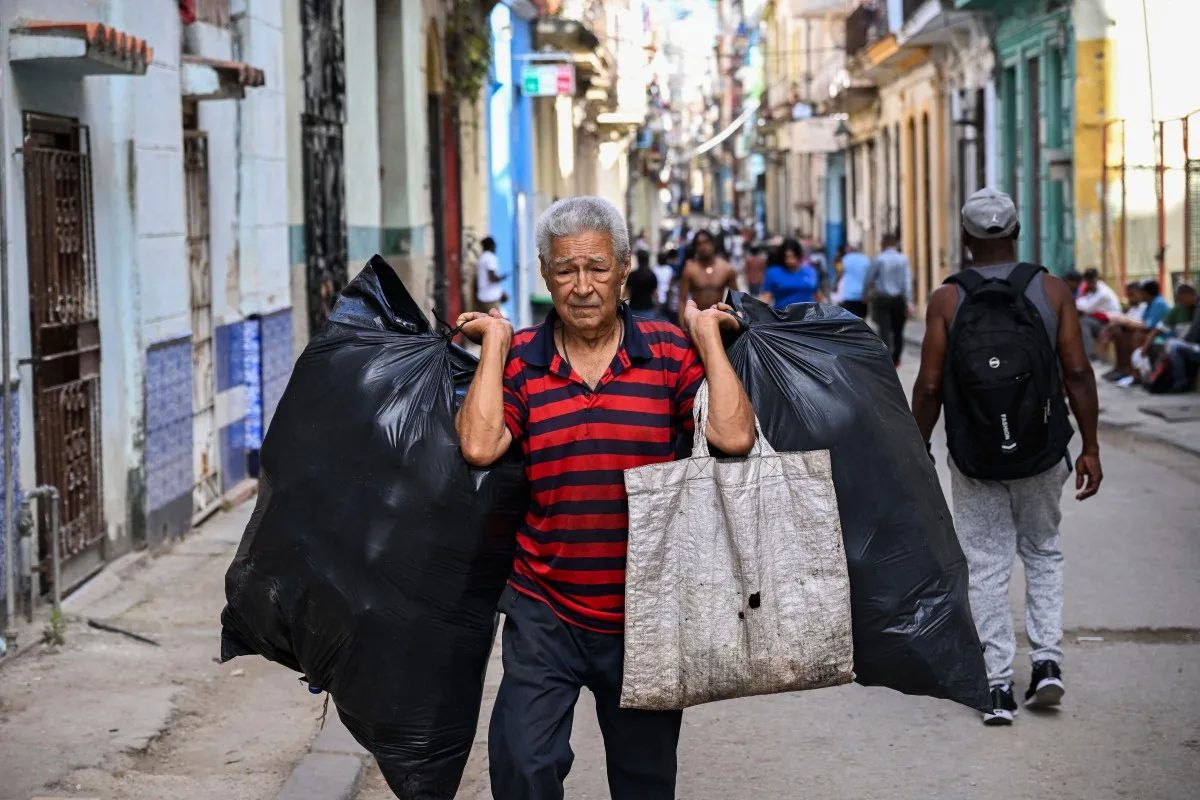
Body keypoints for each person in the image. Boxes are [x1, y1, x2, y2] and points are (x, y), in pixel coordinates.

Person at [454, 196, 755, 799]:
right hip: (546, 607)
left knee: (644, 783)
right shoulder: (521, 363)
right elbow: (481, 446)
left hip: (645, 612)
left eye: (597, 268)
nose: (582, 286)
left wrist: (708, 339)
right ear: (545, 275)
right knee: (521, 765)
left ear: (623, 271)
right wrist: (494, 345)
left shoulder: (668, 353)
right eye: (566, 270)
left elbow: (733, 435)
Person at [911, 188, 1102, 726]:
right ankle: (1046, 665)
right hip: (1041, 450)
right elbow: (1078, 372)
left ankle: (997, 685)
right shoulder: (1051, 290)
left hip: (974, 455)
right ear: (1017, 233)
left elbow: (928, 386)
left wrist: (917, 446)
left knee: (986, 562)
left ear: (967, 240)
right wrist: (1089, 445)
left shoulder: (947, 300)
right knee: (1042, 551)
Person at [1129, 283, 1198, 387]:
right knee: (1165, 346)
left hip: (1192, 345)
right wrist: (1145, 346)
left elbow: (1194, 333)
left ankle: (1180, 383)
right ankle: (1153, 379)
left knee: (1172, 345)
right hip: (1186, 345)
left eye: (1181, 298)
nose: (1179, 302)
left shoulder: (1197, 308)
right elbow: (1157, 329)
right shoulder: (1178, 309)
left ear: (1190, 295)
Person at [1102, 279, 1170, 383]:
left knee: (1136, 335)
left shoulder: (1158, 303)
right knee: (1121, 334)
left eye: (1141, 292)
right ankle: (1122, 369)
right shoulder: (1150, 303)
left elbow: (1147, 326)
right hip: (1151, 333)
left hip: (1162, 336)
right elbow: (1143, 323)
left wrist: (1126, 322)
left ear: (1146, 293)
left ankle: (1134, 373)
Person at [865, 232, 914, 366]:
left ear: (883, 244)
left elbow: (869, 278)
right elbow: (907, 281)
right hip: (899, 300)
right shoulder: (903, 259)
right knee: (899, 330)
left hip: (882, 299)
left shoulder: (879, 259)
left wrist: (865, 294)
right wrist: (909, 301)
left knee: (884, 330)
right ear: (895, 244)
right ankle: (897, 358)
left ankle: (887, 360)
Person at [678, 229, 740, 324]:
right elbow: (682, 300)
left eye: (706, 242)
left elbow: (736, 299)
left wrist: (737, 321)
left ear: (712, 243)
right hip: (696, 320)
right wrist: (682, 325)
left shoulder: (726, 269)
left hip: (719, 320)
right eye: (699, 244)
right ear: (695, 248)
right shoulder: (690, 270)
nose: (703, 247)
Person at [1075, 267, 1122, 360]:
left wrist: (1076, 302)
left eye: (1091, 279)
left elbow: (1086, 308)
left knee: (1084, 322)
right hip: (1100, 319)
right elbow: (1082, 302)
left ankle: (1089, 355)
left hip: (1110, 322)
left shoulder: (1103, 293)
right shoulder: (1092, 289)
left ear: (1096, 278)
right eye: (1088, 279)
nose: (1089, 281)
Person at [761, 238, 820, 310]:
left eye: (793, 257)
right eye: (786, 257)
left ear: (799, 255)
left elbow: (817, 296)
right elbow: (766, 298)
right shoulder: (773, 273)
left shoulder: (810, 272)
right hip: (784, 318)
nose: (790, 261)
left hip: (809, 318)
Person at [838, 243, 872, 318]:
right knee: (861, 319)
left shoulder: (845, 259)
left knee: (848, 320)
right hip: (862, 295)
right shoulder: (866, 259)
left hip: (848, 295)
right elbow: (869, 277)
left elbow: (840, 274)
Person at [626, 249, 661, 319]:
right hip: (648, 308)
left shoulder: (633, 275)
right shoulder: (652, 275)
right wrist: (657, 307)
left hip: (634, 307)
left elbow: (627, 292)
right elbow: (655, 293)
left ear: (638, 260)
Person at [475, 235, 507, 313]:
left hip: (482, 297)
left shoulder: (482, 258)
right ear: (491, 246)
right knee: (496, 323)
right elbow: (492, 278)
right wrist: (502, 278)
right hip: (491, 299)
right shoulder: (490, 257)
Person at [652, 251, 676, 319]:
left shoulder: (654, 269)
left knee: (656, 318)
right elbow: (670, 284)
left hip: (656, 297)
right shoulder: (669, 269)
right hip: (666, 296)